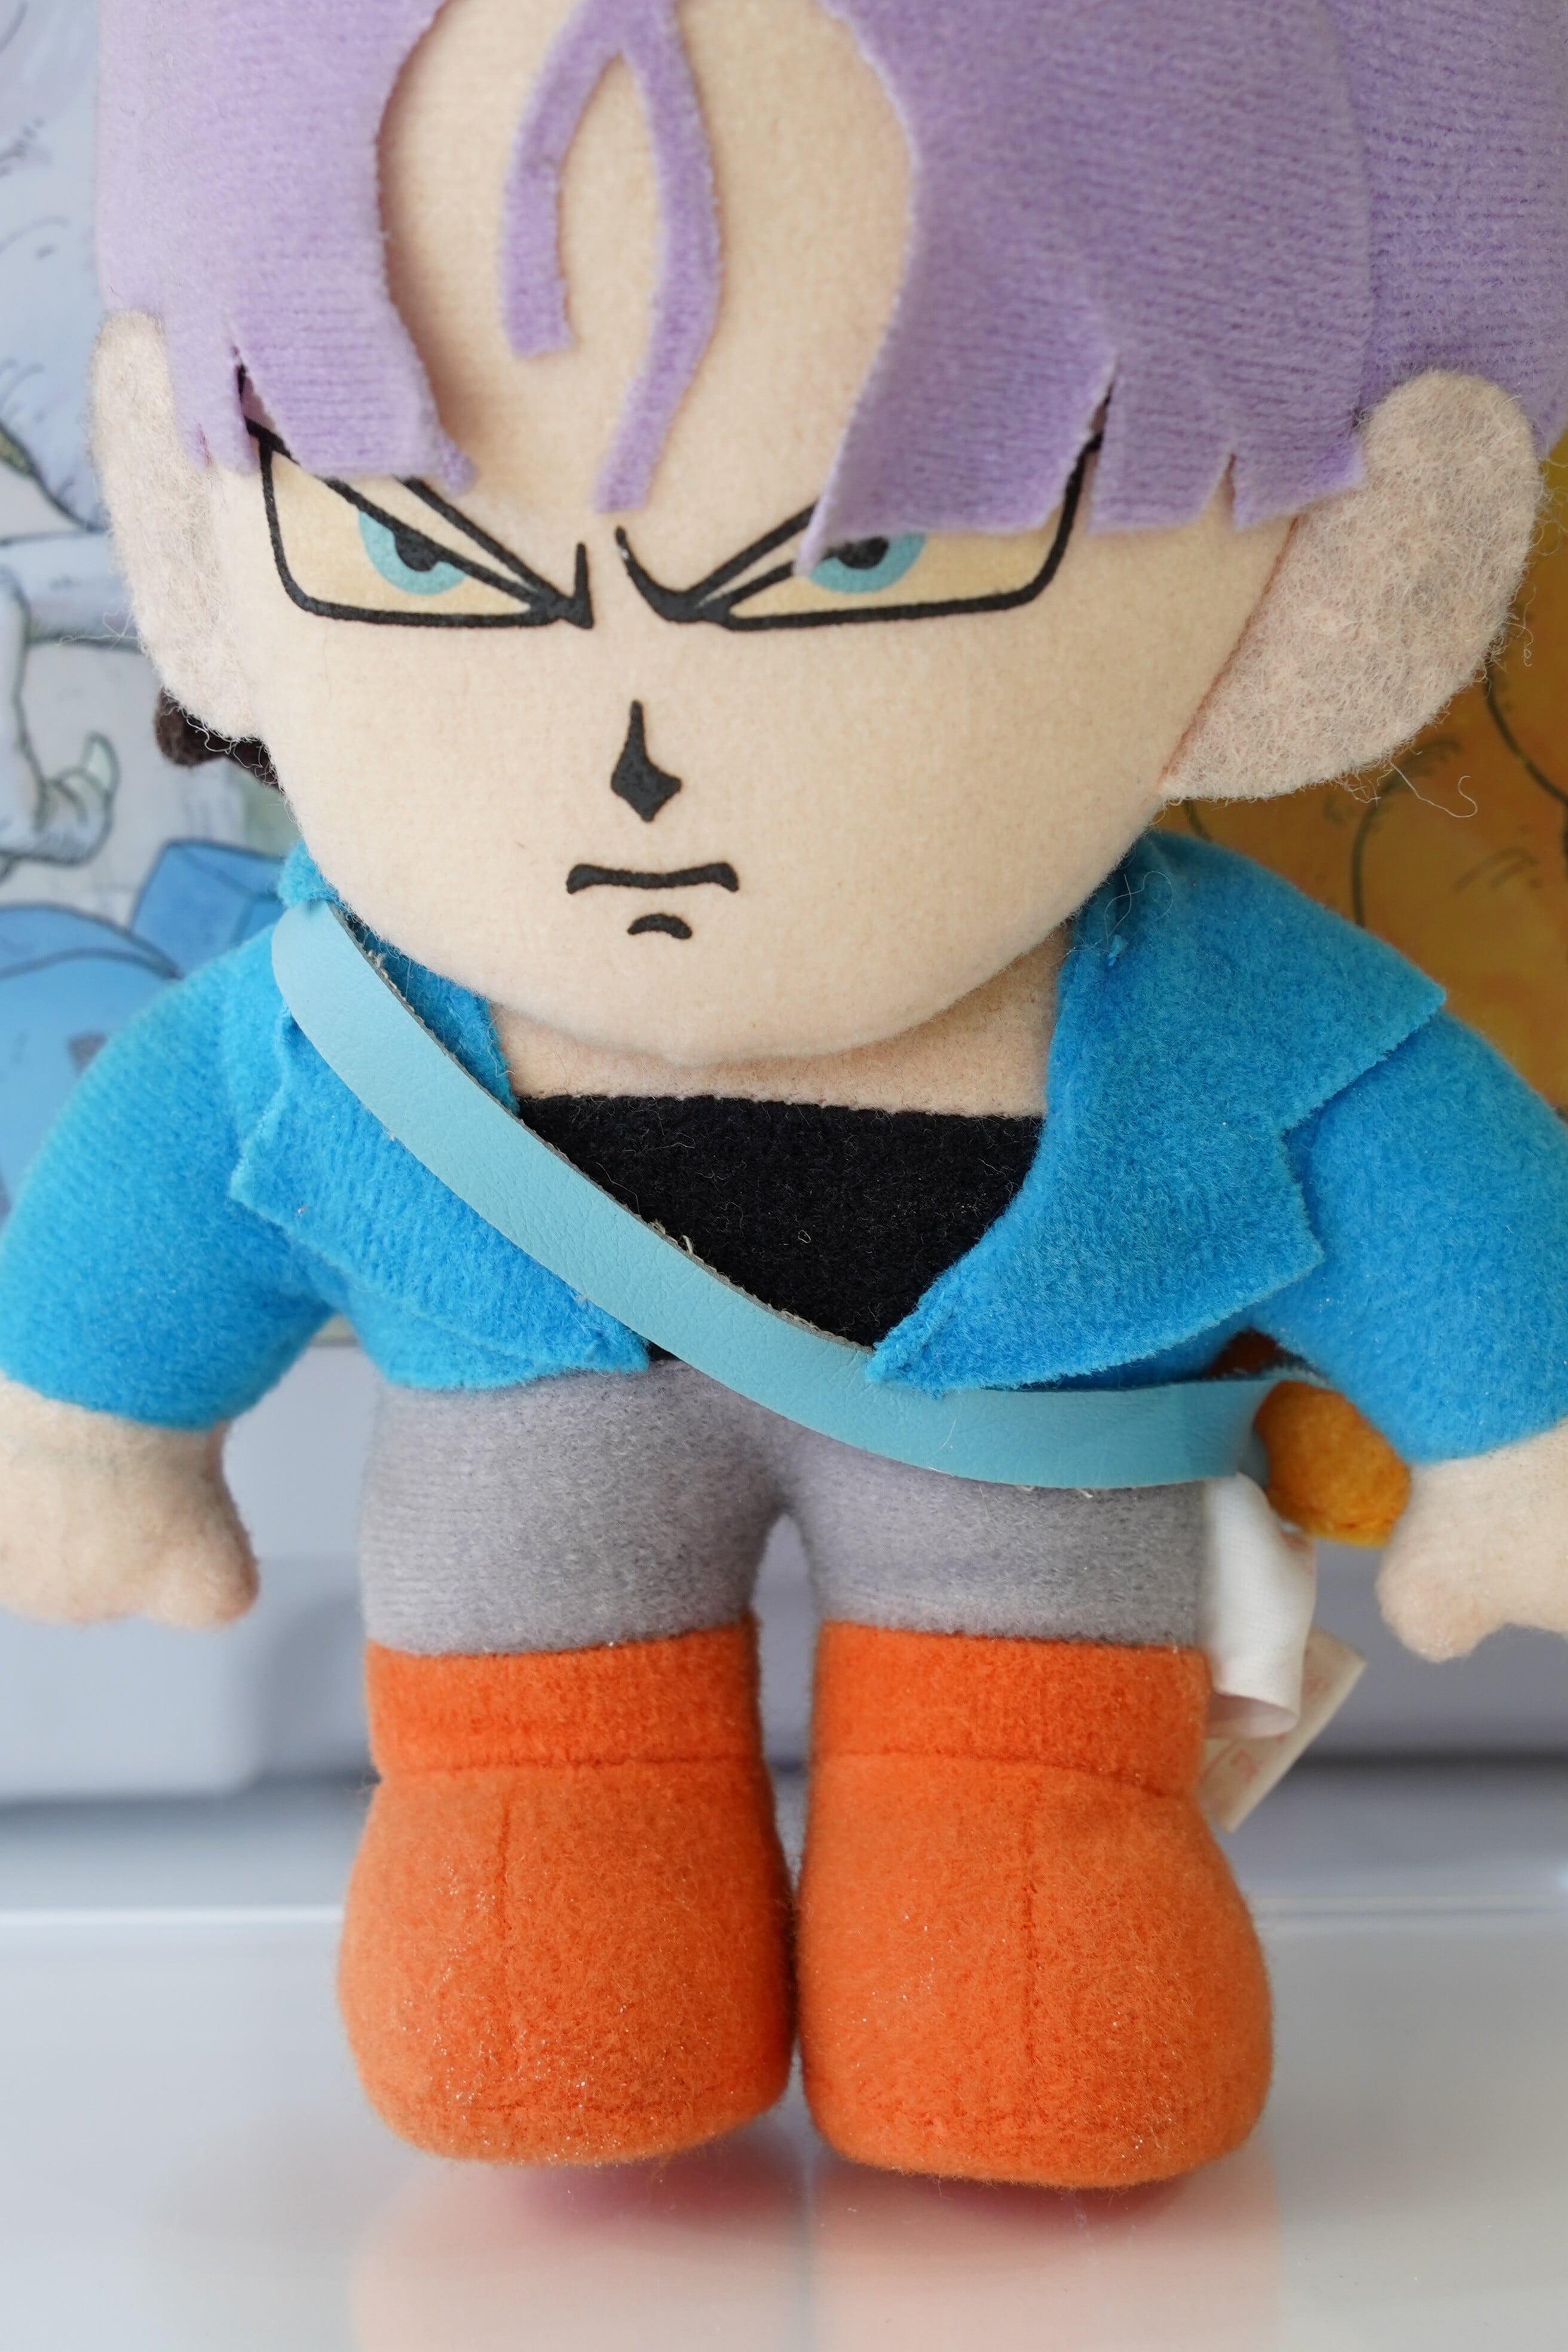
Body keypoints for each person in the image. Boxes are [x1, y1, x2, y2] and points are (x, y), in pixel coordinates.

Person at [2, 0, 1567, 2186]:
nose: (641, 754)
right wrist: (90, 1430)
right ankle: (562, 1891)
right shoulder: (340, 1028)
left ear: (1339, 574)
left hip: (1030, 1463)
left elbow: (1412, 1153)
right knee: (541, 1842)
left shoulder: (1204, 1005)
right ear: (212, 546)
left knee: (1026, 1882)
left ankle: (1002, 1910)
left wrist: (1518, 1438)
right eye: (433, 554)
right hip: (537, 1457)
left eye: (861, 557)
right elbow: (169, 1175)